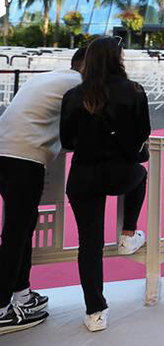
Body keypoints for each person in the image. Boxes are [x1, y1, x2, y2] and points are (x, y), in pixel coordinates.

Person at [60, 37, 151, 332]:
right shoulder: (133, 90)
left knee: (89, 244)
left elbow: (67, 141)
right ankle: (128, 232)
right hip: (120, 173)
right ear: (116, 59)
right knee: (141, 175)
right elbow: (143, 131)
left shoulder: (74, 95)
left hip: (83, 176)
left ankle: (94, 311)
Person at [0, 47, 86, 335]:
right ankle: (1, 308)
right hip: (26, 158)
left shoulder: (50, 77)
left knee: (21, 228)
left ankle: (21, 294)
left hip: (6, 151)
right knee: (15, 233)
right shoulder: (78, 85)